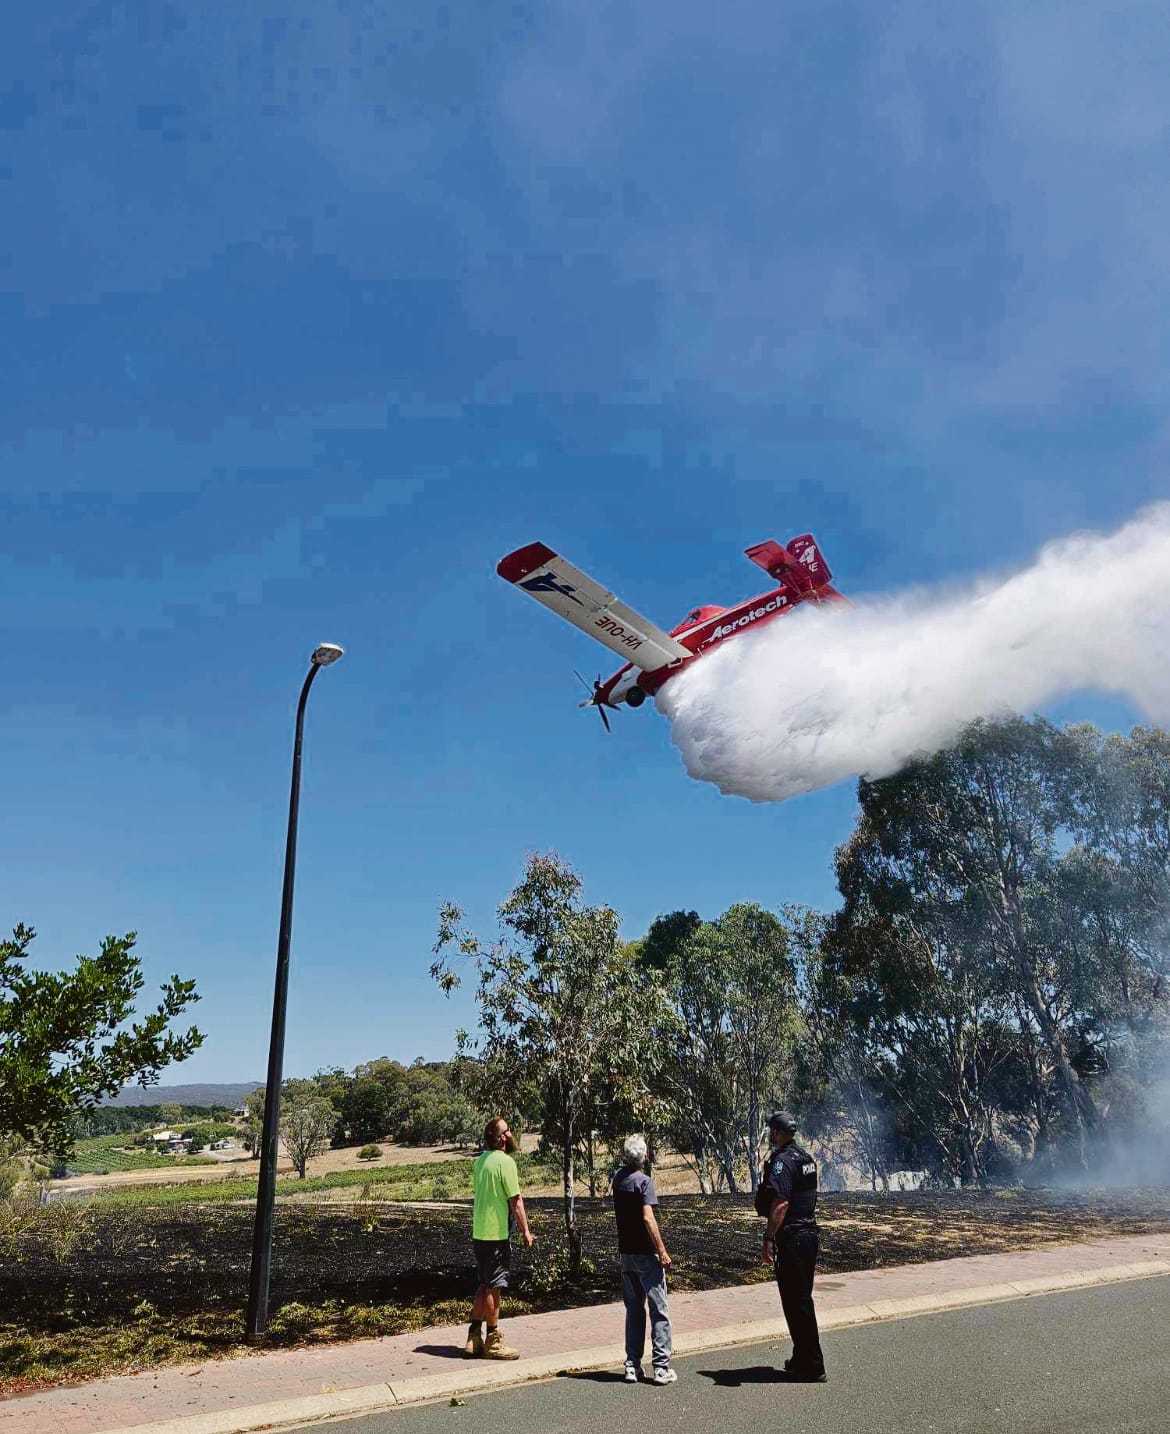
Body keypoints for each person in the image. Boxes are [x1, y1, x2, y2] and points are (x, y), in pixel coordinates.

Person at [757, 1110, 826, 1382]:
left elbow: (781, 1203)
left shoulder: (783, 1163)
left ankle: (812, 1364)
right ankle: (801, 1358)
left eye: (771, 1132)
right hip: (809, 1234)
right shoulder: (805, 1158)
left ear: (776, 1132)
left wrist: (769, 1237)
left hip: (793, 1238)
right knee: (801, 1299)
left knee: (796, 1303)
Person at [466, 1116, 534, 1360]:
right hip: (497, 1234)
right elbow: (515, 1201)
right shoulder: (505, 1163)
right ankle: (493, 1341)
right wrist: (526, 1231)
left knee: (484, 1284)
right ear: (503, 1137)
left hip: (479, 1233)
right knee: (494, 1288)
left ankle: (474, 1337)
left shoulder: (479, 1161)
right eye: (508, 1130)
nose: (511, 1132)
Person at [612, 1134, 677, 1385]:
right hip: (646, 1255)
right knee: (659, 1310)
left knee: (634, 1310)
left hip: (626, 1253)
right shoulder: (644, 1182)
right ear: (645, 1156)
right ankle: (661, 1367)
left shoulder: (618, 1179)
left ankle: (632, 1364)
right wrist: (661, 1250)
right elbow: (648, 1218)